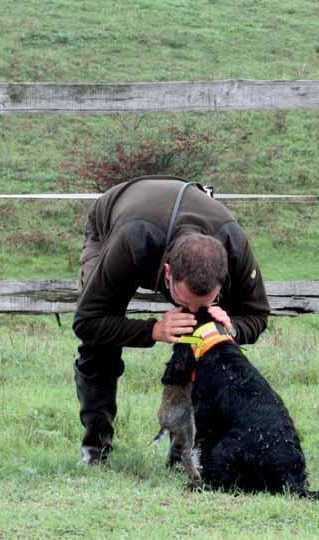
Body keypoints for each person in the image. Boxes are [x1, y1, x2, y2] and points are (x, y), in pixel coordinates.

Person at [73, 175, 270, 464]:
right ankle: (95, 450)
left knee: (206, 336)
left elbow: (258, 313)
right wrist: (154, 330)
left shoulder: (236, 246)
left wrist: (231, 328)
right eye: (183, 300)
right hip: (115, 222)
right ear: (167, 274)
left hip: (171, 219)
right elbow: (87, 322)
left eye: (205, 301)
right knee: (99, 343)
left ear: (223, 279)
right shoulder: (131, 242)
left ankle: (183, 453)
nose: (190, 309)